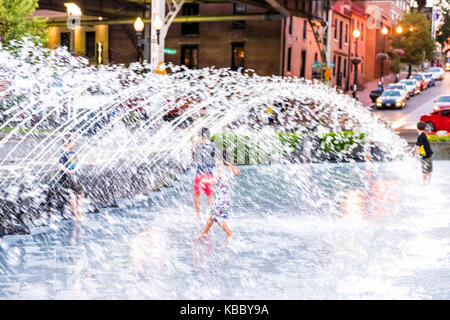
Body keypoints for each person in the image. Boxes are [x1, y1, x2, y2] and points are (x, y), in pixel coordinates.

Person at [196, 155, 241, 245]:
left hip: (221, 198)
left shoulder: (220, 170)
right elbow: (238, 173)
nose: (215, 162)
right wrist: (231, 165)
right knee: (212, 215)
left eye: (216, 160)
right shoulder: (229, 168)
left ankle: (229, 233)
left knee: (217, 217)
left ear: (221, 160)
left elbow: (214, 181)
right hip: (226, 197)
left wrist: (204, 181)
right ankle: (204, 232)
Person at [58, 135, 85, 221]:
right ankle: (76, 216)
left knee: (80, 195)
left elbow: (79, 161)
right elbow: (59, 165)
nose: (75, 143)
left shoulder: (73, 153)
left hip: (74, 177)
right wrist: (68, 171)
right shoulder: (63, 153)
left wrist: (90, 162)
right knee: (73, 196)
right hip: (68, 177)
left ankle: (80, 215)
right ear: (67, 143)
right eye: (73, 142)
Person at [192, 127, 217, 219]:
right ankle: (214, 212)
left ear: (202, 136)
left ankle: (198, 214)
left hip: (200, 174)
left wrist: (196, 142)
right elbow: (215, 159)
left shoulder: (199, 145)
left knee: (196, 195)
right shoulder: (213, 145)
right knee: (210, 196)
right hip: (209, 174)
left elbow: (193, 155)